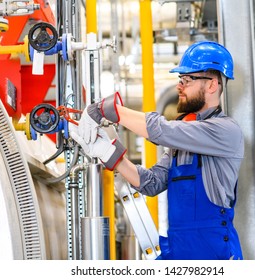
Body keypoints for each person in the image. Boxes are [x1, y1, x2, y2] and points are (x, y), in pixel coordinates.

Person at [70, 41, 244, 260]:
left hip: (214, 255)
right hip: (181, 253)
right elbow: (151, 183)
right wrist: (107, 152)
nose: (180, 86)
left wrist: (106, 109)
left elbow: (162, 130)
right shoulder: (181, 145)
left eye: (187, 79)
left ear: (211, 85)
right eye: (180, 80)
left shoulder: (226, 131)